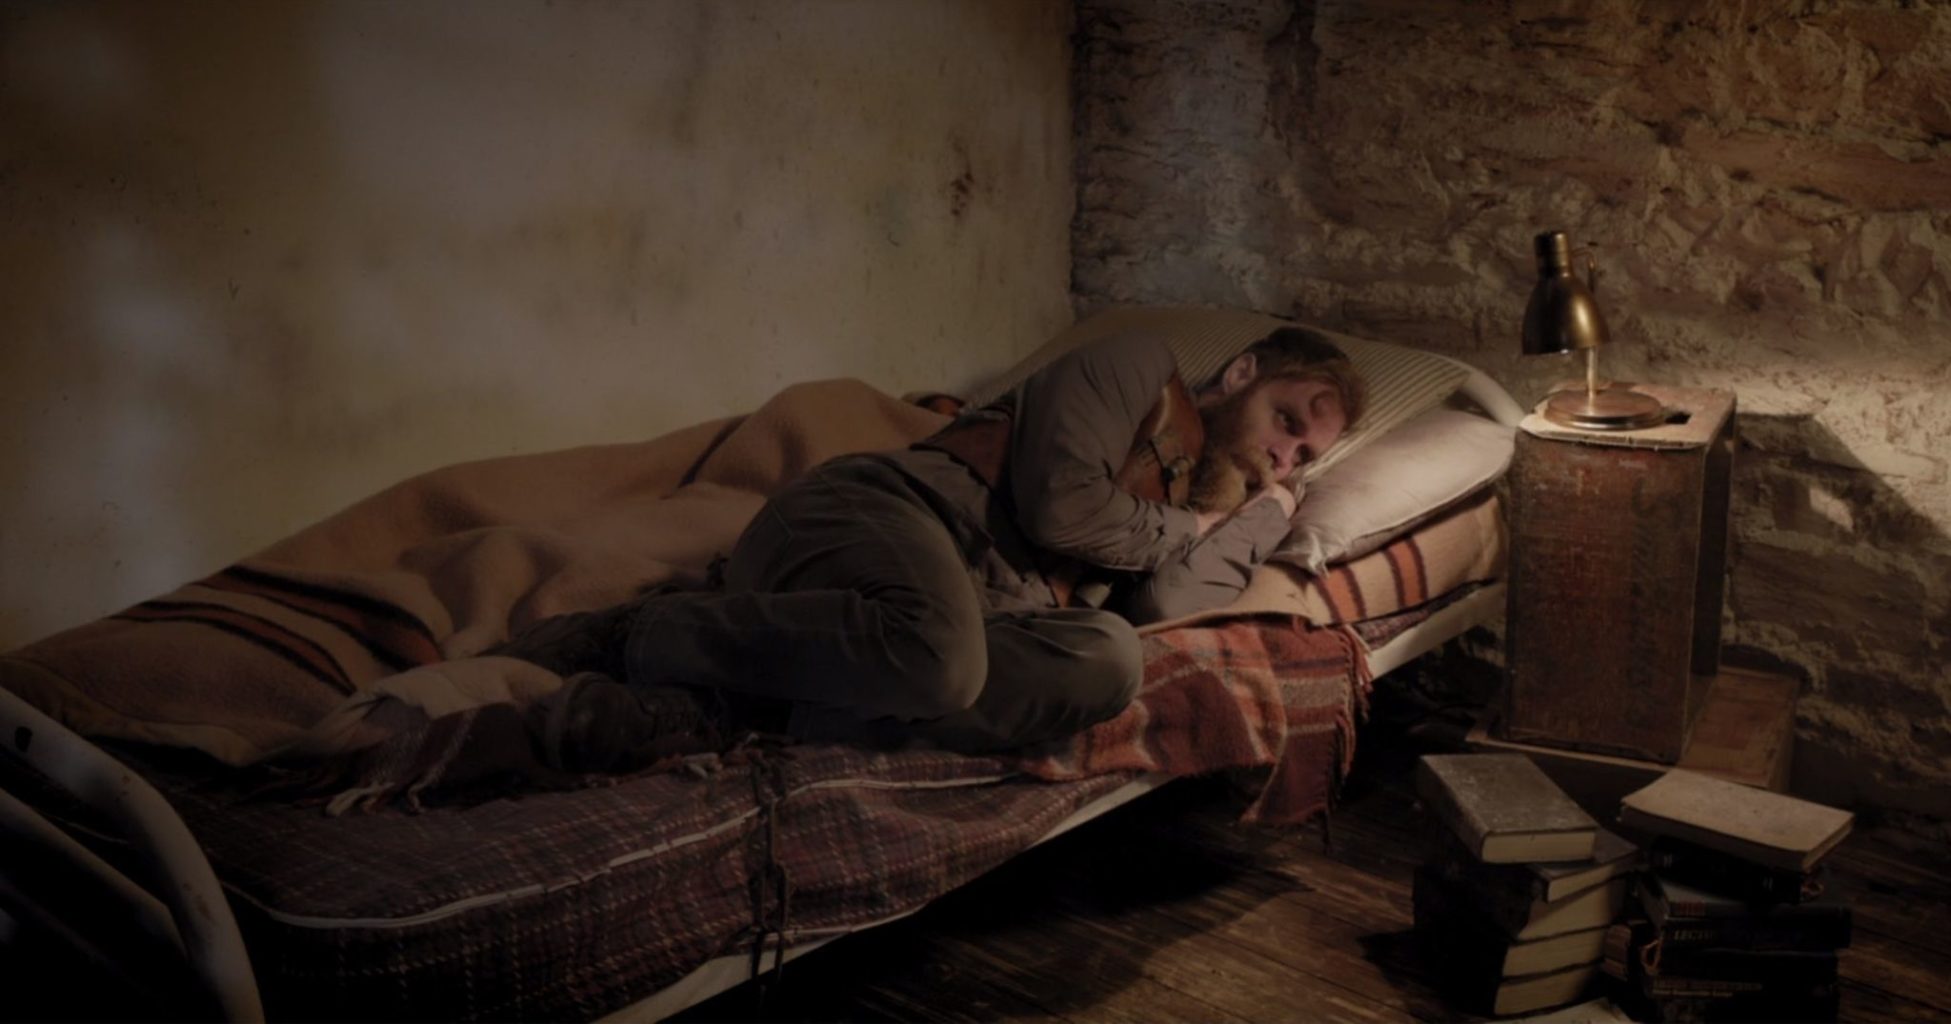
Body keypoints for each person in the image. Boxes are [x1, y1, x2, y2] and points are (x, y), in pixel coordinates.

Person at [502, 326, 1364, 766]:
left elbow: (1168, 603)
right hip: (885, 516)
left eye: (1302, 456)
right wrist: (1196, 526)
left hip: (969, 620)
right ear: (1241, 374)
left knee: (1109, 660)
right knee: (940, 661)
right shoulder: (1137, 367)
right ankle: (644, 632)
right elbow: (1064, 512)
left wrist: (1267, 508)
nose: (1280, 453)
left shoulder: (1219, 498)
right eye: (1285, 420)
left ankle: (731, 708)